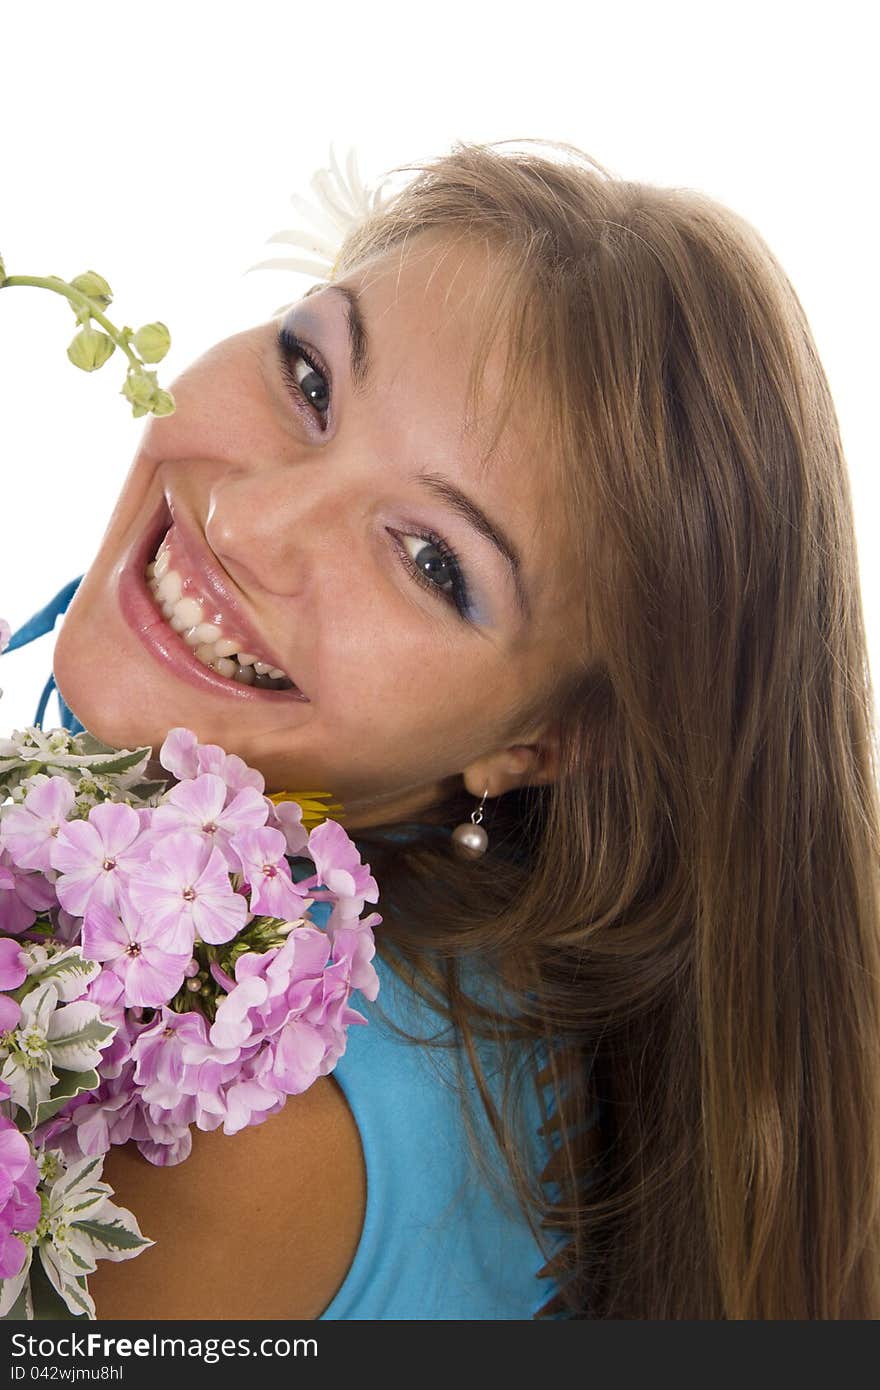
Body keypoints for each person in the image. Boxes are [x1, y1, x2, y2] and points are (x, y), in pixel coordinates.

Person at [13, 138, 880, 1319]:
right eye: (309, 379)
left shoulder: (232, 1122)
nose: (250, 520)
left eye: (432, 560)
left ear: (543, 741)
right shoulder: (480, 956)